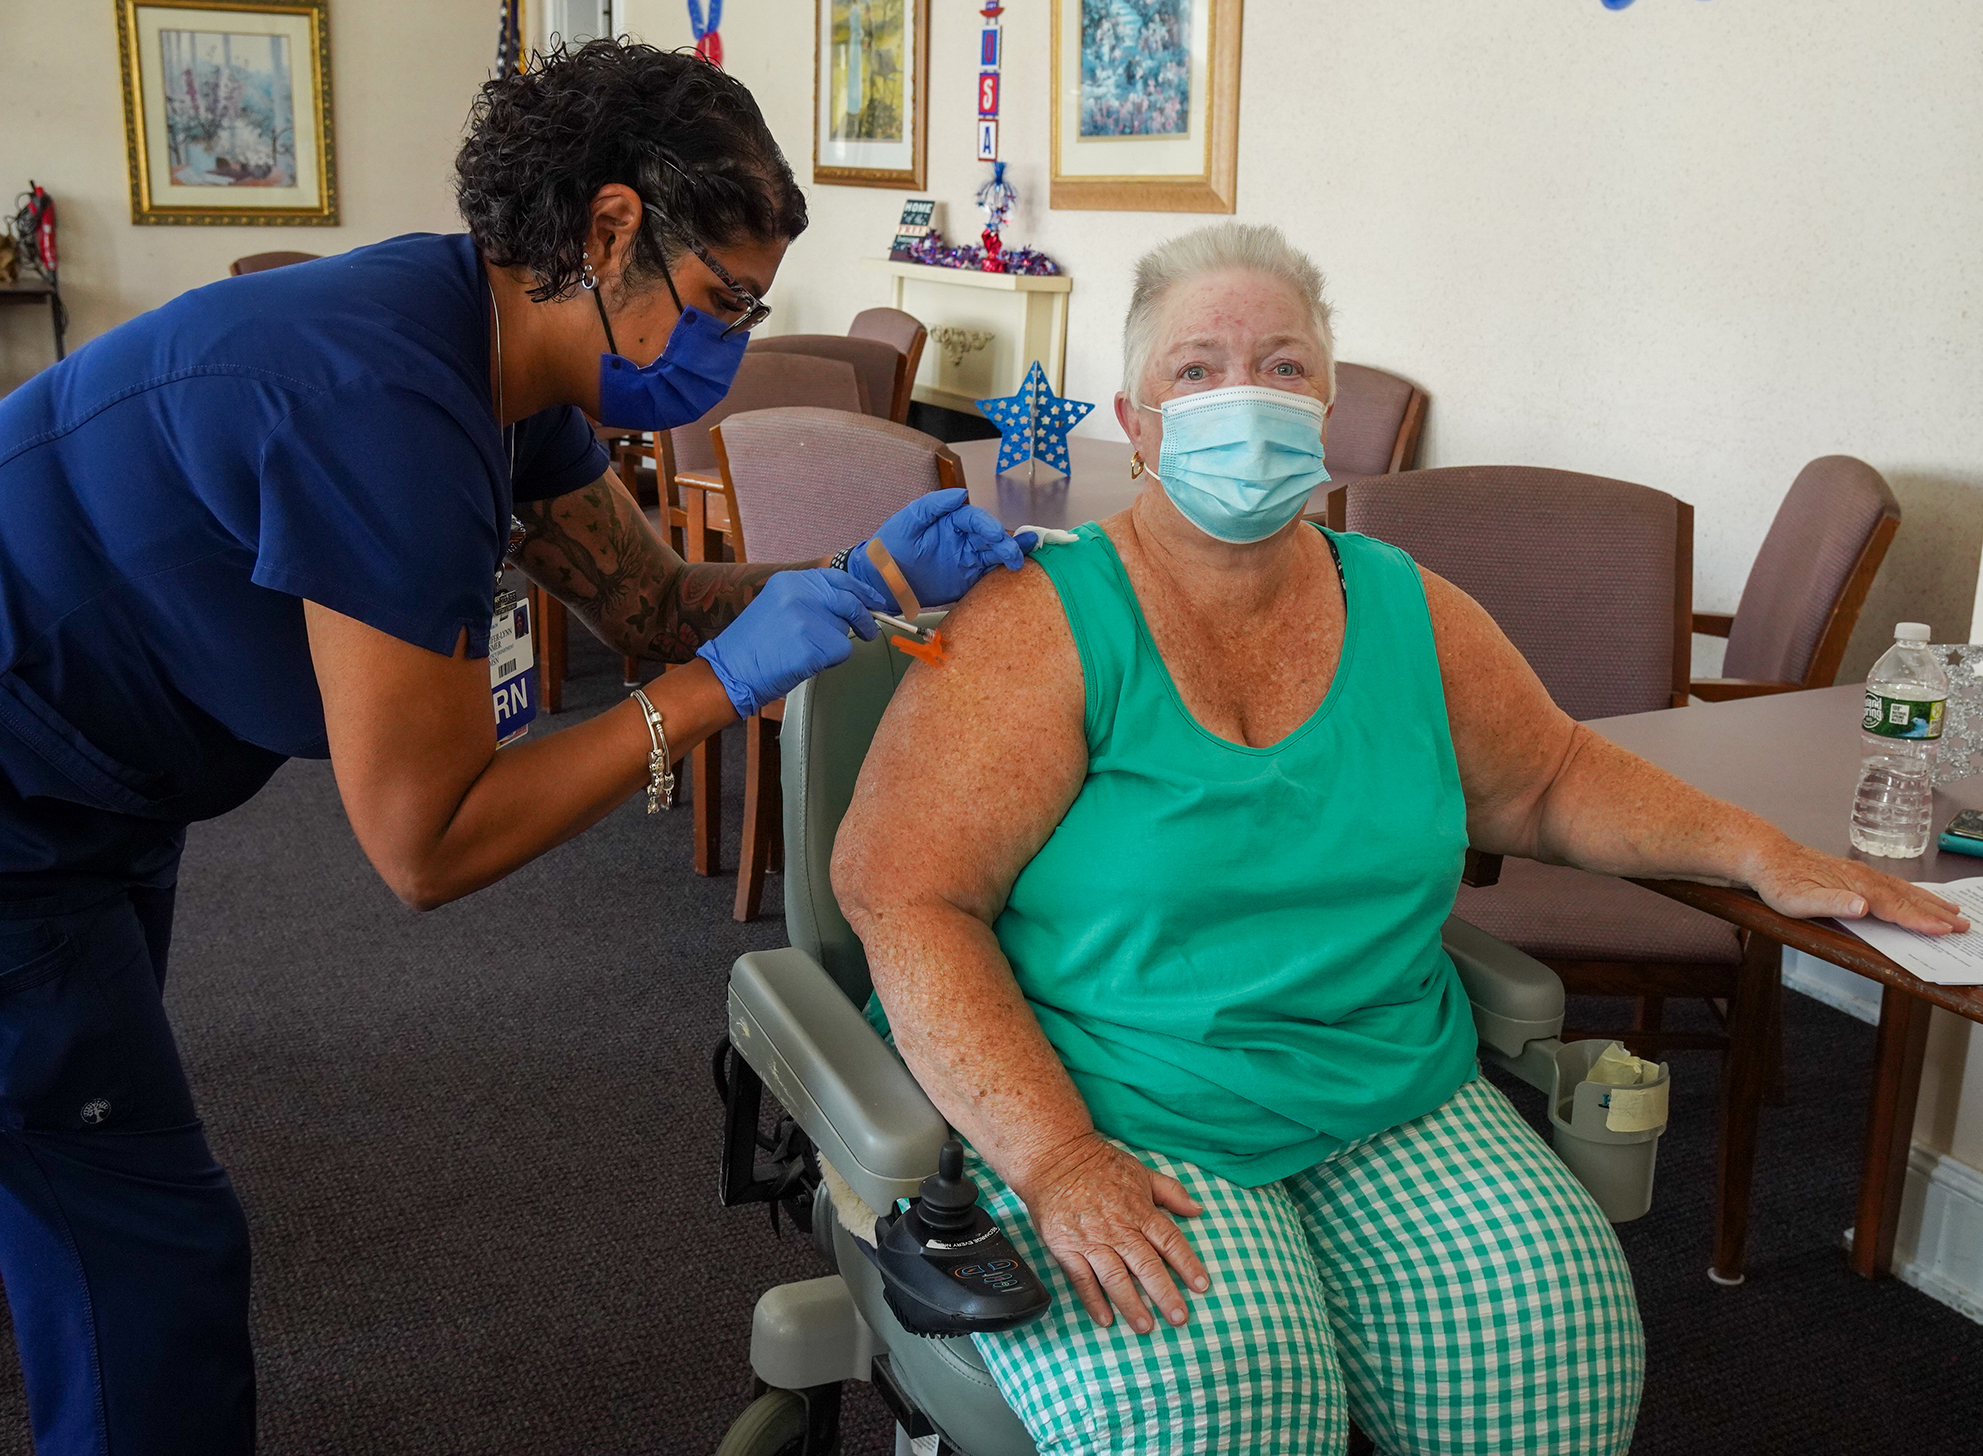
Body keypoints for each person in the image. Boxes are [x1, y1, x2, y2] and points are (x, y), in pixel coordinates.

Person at [0, 41, 1029, 1455]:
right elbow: (428, 844)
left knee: (58, 1148)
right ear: (609, 231)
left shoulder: (506, 360)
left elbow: (653, 606)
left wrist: (862, 575)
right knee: (138, 1236)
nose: (729, 348)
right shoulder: (384, 404)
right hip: (19, 797)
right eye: (722, 302)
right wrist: (718, 691)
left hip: (104, 780)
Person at [830, 221, 1964, 1455]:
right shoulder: (1040, 621)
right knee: (1228, 1409)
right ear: (1136, 422)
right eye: (1197, 372)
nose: (1245, 398)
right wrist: (1054, 1158)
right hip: (1108, 1098)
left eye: (1282, 365)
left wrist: (1753, 848)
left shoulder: (1408, 605)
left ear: (1326, 400)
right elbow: (904, 894)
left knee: (1558, 1359)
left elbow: (1552, 781)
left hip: (1383, 1085)